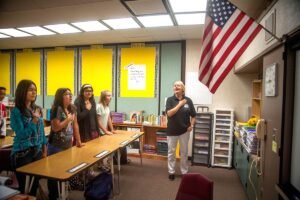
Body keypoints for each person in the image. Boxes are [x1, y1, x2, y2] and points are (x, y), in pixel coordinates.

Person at [10, 80, 47, 195]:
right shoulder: (16, 112)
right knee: (25, 189)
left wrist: (44, 148)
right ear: (22, 91)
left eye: (35, 90)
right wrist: (34, 121)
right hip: (22, 153)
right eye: (30, 90)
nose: (34, 92)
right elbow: (21, 134)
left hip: (37, 152)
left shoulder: (37, 108)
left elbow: (41, 131)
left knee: (34, 186)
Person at [47, 88, 84, 200]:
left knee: (64, 171)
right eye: (67, 94)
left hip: (67, 145)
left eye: (70, 93)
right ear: (60, 96)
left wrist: (78, 141)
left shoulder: (72, 108)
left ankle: (63, 194)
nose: (70, 95)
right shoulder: (56, 109)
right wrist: (68, 120)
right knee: (54, 173)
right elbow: (55, 127)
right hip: (56, 146)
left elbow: (75, 125)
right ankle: (54, 196)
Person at [165, 81, 196, 181]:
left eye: (178, 85)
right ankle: (171, 171)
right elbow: (169, 114)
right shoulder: (170, 100)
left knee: (184, 152)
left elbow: (194, 116)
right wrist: (180, 104)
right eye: (174, 85)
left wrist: (191, 125)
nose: (175, 87)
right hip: (172, 131)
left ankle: (184, 172)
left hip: (184, 131)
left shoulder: (188, 100)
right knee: (171, 152)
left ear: (183, 88)